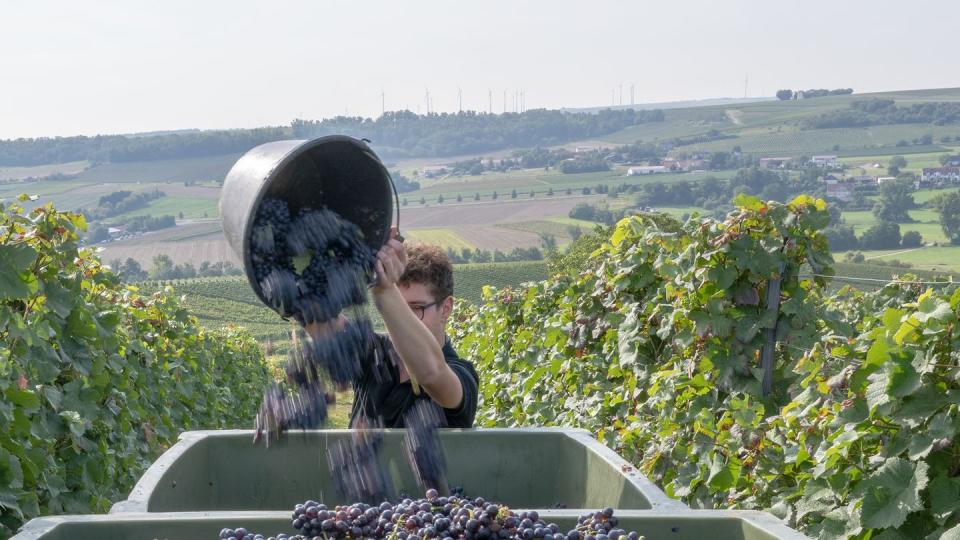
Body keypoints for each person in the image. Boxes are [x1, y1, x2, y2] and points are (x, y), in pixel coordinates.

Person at [308, 228, 478, 428]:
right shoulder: (374, 354)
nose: (400, 318)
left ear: (446, 309)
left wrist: (385, 290)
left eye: (415, 309)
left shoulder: (462, 375)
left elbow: (431, 372)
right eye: (397, 308)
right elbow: (315, 317)